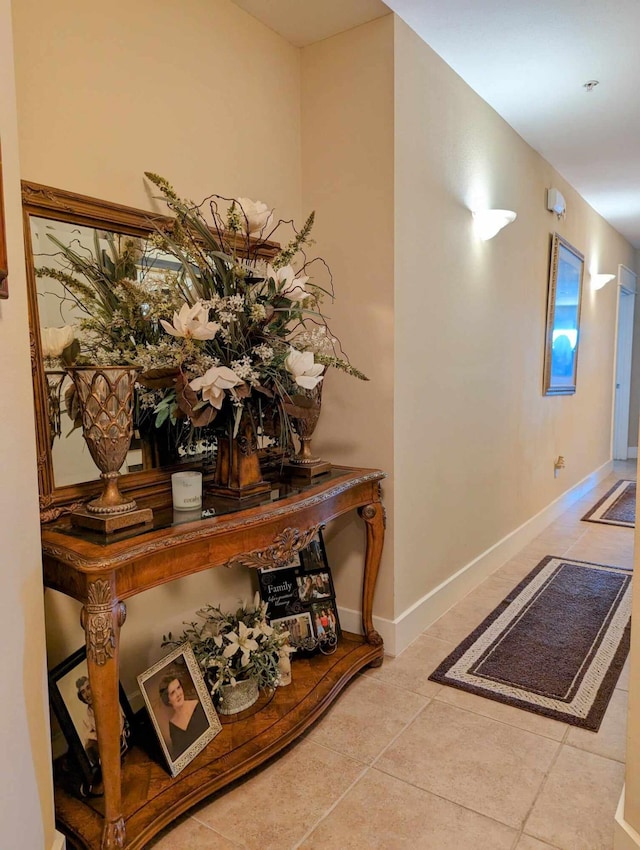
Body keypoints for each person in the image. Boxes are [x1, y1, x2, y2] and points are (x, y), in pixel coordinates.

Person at [76, 675, 129, 766]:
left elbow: (120, 720)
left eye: (88, 688)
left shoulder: (107, 700)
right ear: (81, 696)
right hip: (105, 743)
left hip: (119, 735)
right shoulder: (86, 717)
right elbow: (88, 736)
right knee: (89, 746)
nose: (87, 694)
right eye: (83, 692)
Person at [159, 674, 208, 760]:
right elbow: (180, 755)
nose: (178, 694)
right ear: (168, 700)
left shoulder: (199, 706)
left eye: (178, 688)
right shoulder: (172, 726)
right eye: (173, 693)